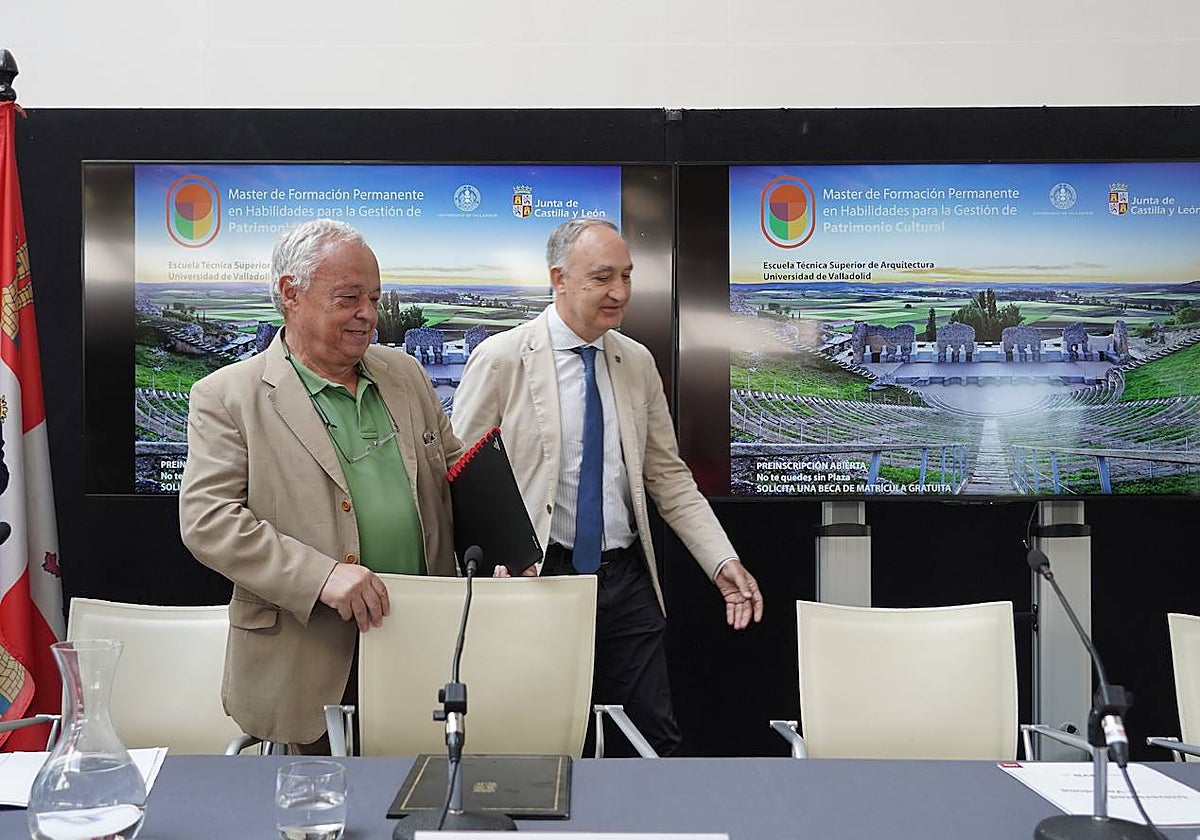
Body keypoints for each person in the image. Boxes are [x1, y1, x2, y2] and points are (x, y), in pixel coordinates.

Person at [451, 218, 763, 757]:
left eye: (626, 275)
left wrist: (721, 560)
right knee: (539, 739)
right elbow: (463, 473)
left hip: (623, 578)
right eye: (602, 277)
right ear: (559, 278)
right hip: (538, 576)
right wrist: (498, 557)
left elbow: (667, 476)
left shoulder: (635, 362)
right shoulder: (503, 359)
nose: (619, 292)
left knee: (652, 738)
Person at [179, 219, 464, 751]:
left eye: (375, 299)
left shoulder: (406, 376)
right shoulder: (226, 397)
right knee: (321, 825)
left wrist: (506, 550)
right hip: (305, 663)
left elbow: (456, 473)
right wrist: (321, 576)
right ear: (291, 293)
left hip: (422, 648)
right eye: (349, 297)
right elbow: (209, 521)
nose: (368, 315)